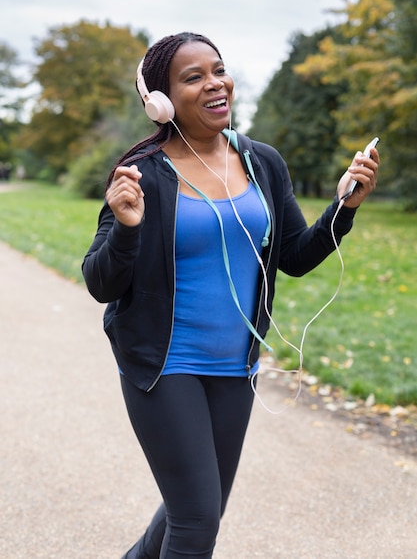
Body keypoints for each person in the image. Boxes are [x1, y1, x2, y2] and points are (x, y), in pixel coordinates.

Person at [82, 31, 379, 559]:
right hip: (163, 365)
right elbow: (100, 281)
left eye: (218, 70)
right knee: (196, 524)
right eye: (193, 77)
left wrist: (345, 207)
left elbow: (294, 255)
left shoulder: (261, 161)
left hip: (235, 367)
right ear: (161, 100)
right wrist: (127, 230)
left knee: (198, 510)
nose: (215, 84)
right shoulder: (144, 175)